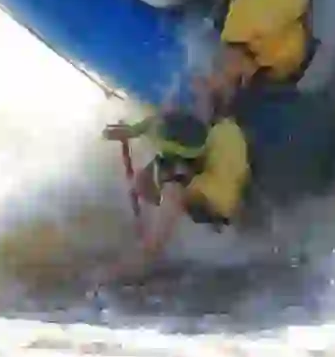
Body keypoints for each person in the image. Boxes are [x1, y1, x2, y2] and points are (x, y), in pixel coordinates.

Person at [98, 88, 251, 281]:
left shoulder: (183, 189)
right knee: (145, 180)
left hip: (213, 218)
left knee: (160, 202)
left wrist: (107, 275)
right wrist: (132, 130)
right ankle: (153, 219)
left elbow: (151, 252)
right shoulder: (224, 128)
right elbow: (164, 120)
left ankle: (156, 226)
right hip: (223, 178)